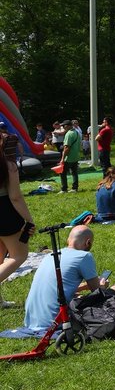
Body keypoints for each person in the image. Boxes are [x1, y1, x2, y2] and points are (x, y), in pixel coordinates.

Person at [24, 225, 115, 329]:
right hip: (57, 321)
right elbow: (98, 292)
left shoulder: (49, 256)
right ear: (88, 242)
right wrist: (102, 286)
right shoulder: (84, 256)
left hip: (30, 321)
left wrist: (84, 287)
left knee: (77, 297)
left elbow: (59, 285)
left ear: (68, 239)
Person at [0, 131, 36, 306]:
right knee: (19, 256)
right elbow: (15, 197)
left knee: (0, 258)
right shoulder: (8, 166)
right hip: (5, 214)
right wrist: (29, 220)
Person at [59, 119, 82, 193]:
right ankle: (75, 188)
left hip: (69, 157)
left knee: (62, 173)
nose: (63, 127)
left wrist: (62, 159)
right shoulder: (77, 132)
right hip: (76, 156)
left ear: (68, 126)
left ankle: (64, 189)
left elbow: (66, 148)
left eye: (63, 126)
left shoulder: (69, 134)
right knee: (74, 172)